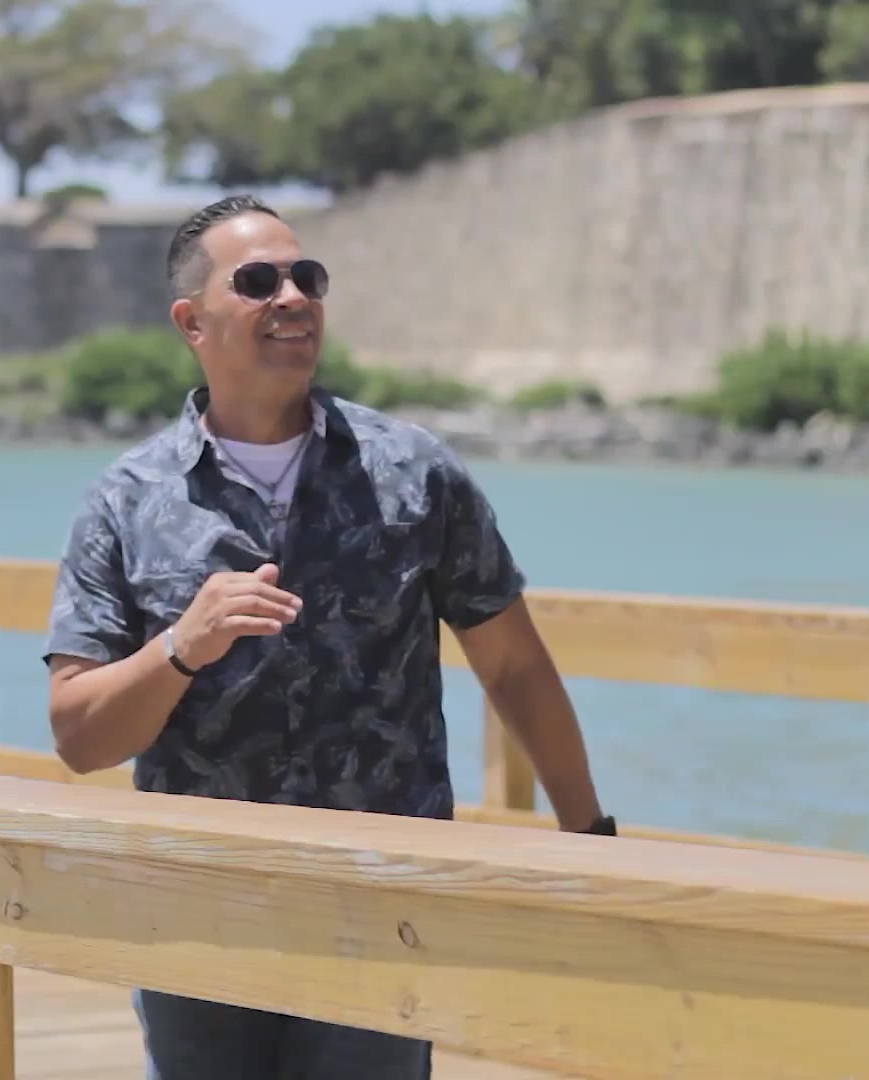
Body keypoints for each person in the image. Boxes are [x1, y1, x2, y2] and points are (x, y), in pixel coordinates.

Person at [40, 194, 613, 1079]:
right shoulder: (127, 501)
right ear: (191, 322)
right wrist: (182, 646)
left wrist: (589, 840)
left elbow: (514, 668)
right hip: (200, 912)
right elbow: (80, 735)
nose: (294, 298)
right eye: (258, 281)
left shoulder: (415, 473)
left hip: (384, 907)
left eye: (307, 277)